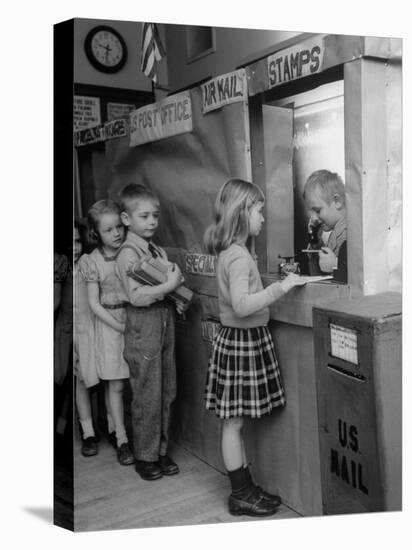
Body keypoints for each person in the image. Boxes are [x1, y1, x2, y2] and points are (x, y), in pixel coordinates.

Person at [203, 177, 306, 517]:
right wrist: (281, 288)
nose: (263, 217)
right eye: (259, 210)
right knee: (233, 423)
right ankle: (240, 495)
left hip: (241, 341)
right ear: (242, 211)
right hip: (241, 342)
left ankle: (245, 488)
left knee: (235, 422)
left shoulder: (236, 252)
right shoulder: (238, 257)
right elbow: (243, 304)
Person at [116, 183, 184, 481]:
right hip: (143, 325)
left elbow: (163, 288)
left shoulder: (155, 249)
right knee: (146, 392)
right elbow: (137, 296)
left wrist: (177, 298)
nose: (152, 221)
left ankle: (160, 450)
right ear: (127, 219)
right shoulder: (126, 255)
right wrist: (169, 286)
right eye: (144, 216)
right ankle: (145, 455)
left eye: (155, 215)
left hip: (164, 321)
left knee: (167, 389)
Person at [79, 200, 134, 466]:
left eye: (119, 227)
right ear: (96, 234)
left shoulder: (131, 252)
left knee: (134, 382)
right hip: (110, 325)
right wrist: (118, 325)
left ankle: (125, 430)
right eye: (108, 230)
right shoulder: (92, 262)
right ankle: (122, 439)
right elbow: (93, 303)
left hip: (134, 319)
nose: (116, 233)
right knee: (116, 383)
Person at [73, 221, 100, 458]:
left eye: (77, 241)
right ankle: (88, 432)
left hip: (93, 327)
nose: (74, 247)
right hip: (71, 333)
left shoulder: (86, 263)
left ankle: (114, 429)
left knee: (106, 379)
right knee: (80, 381)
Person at [303, 169, 347, 277]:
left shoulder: (351, 233)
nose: (313, 218)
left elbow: (361, 275)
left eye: (317, 210)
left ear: (337, 202)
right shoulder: (335, 232)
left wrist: (336, 265)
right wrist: (316, 244)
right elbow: (320, 275)